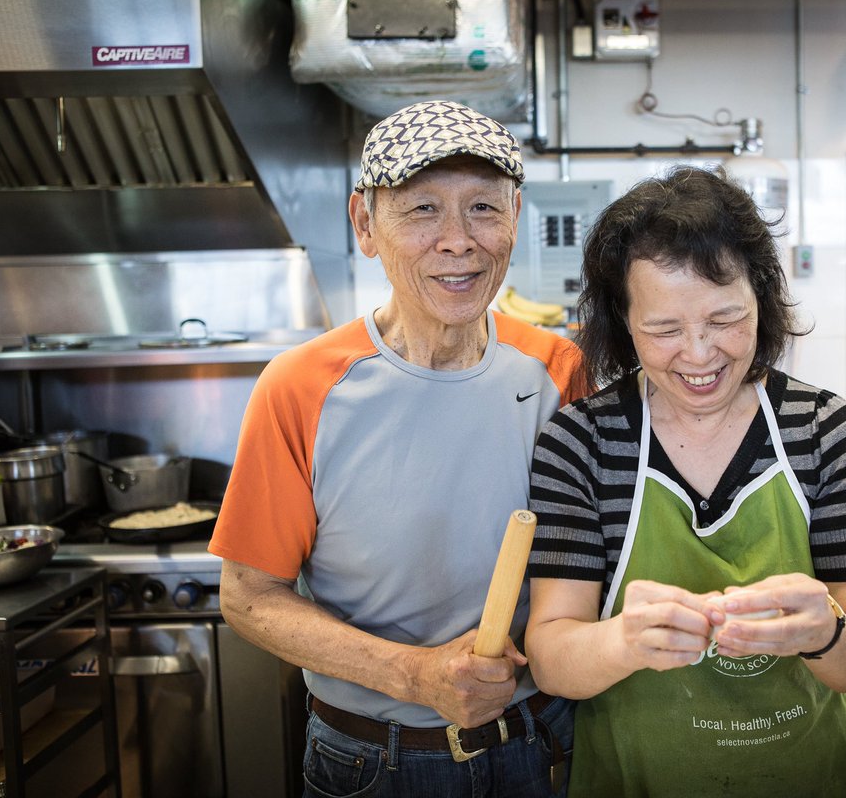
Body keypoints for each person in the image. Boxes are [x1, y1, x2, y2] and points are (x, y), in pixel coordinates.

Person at [209, 100, 586, 797]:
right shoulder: (301, 388)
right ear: (364, 224)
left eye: (483, 208)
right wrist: (413, 675)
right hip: (372, 763)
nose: (458, 240)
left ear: (514, 218)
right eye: (421, 210)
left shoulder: (559, 371)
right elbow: (250, 597)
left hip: (543, 745)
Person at [523, 165, 846, 796]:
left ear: (762, 299)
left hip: (807, 775)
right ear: (623, 320)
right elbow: (553, 658)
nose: (698, 355)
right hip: (637, 777)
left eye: (725, 319)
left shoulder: (828, 432)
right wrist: (625, 640)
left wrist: (824, 631)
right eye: (664, 329)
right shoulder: (580, 443)